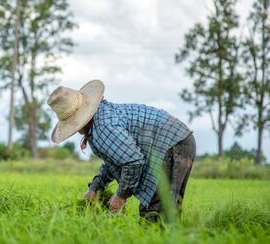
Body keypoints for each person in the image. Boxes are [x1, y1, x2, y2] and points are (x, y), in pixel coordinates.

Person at [47, 80, 196, 221]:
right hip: (178, 139)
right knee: (168, 211)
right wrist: (95, 188)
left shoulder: (104, 126)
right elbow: (115, 160)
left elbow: (133, 162)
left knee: (155, 214)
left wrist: (120, 196)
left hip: (172, 143)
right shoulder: (99, 120)